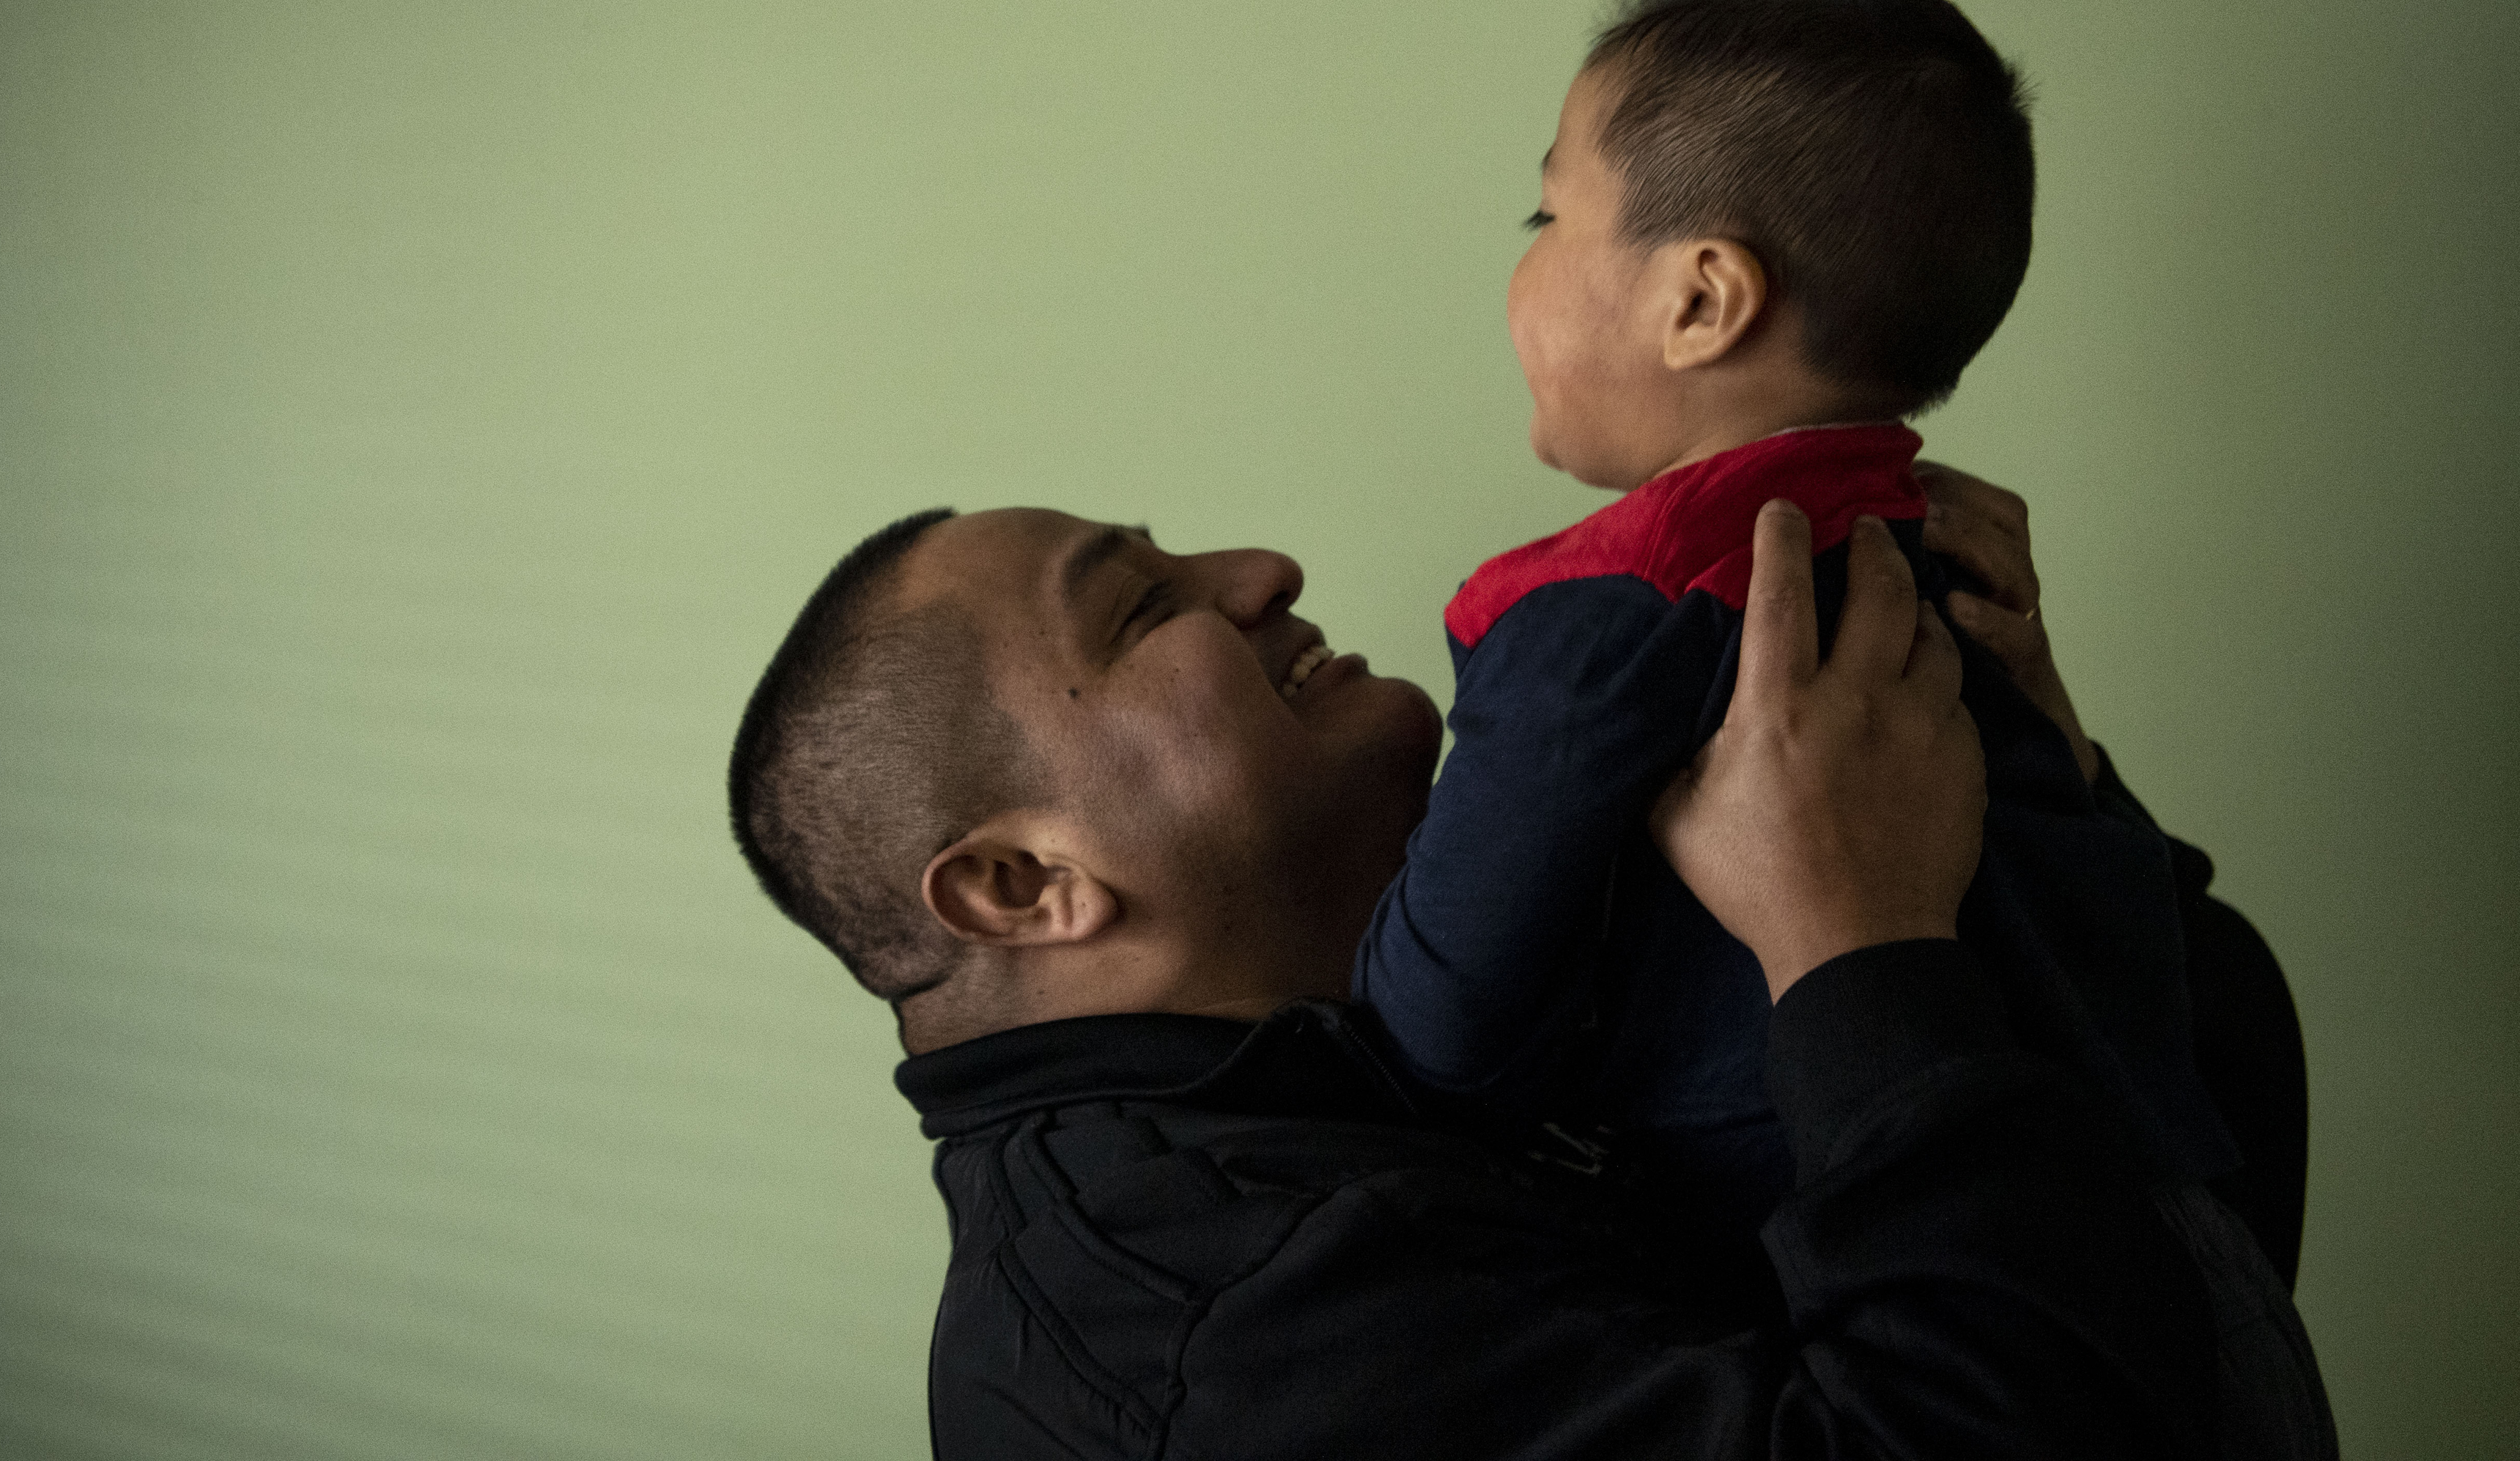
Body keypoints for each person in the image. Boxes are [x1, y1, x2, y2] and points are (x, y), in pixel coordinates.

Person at [725, 487, 2293, 1457]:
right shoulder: (1209, 1339)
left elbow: (2184, 1194)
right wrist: (1858, 948)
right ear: (1022, 886)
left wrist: (2041, 784)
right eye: (1143, 605)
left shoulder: (1440, 1025)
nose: (1260, 564)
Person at [1356, 0, 2236, 1249]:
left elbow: (1432, 1026)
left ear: (1703, 299)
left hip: (1850, 1281)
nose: (1525, 264)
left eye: (1547, 217)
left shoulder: (1608, 615)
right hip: (2141, 1243)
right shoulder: (1944, 564)